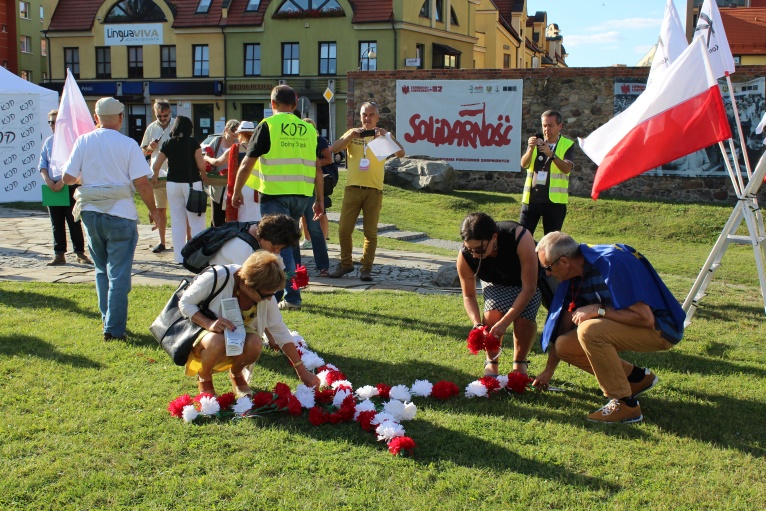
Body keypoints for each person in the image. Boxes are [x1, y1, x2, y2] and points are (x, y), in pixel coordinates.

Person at [534, 232, 685, 424]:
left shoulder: (610, 263)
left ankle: (625, 405)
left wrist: (599, 310)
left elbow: (645, 318)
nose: (547, 274)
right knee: (564, 345)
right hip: (633, 324)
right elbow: (562, 328)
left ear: (563, 262)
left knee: (589, 331)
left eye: (547, 268)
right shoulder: (573, 277)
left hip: (661, 328)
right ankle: (636, 378)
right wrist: (548, 371)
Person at [61, 97, 157, 341]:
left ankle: (108, 321)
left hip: (91, 212)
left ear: (96, 118)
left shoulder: (83, 141)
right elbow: (142, 183)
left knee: (101, 270)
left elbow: (68, 177)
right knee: (119, 273)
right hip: (120, 213)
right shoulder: (128, 144)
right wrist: (154, 210)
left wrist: (87, 177)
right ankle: (114, 329)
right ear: (121, 118)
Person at [231, 85, 323, 311]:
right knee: (289, 245)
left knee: (278, 247)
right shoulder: (309, 130)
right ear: (295, 103)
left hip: (275, 193)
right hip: (302, 194)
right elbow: (318, 168)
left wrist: (236, 190)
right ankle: (282, 292)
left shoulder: (268, 126)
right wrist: (319, 199)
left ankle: (289, 296)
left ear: (272, 104)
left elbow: (247, 162)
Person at [179, 250, 320, 396]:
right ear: (247, 285)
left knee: (255, 343)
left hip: (238, 333)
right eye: (266, 295)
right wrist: (209, 323)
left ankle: (237, 373)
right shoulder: (219, 276)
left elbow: (280, 331)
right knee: (217, 341)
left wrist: (302, 372)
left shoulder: (265, 294)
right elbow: (185, 303)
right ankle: (204, 376)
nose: (270, 299)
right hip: (206, 331)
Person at [328, 101, 404, 282]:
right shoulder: (353, 134)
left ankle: (366, 269)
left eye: (371, 115)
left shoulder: (382, 137)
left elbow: (401, 153)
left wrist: (387, 137)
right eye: (364, 115)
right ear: (360, 117)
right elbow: (333, 149)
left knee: (370, 233)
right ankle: (346, 264)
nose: (367, 118)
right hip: (353, 188)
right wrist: (349, 137)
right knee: (344, 229)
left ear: (377, 117)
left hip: (374, 190)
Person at [457, 213, 541, 377]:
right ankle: (491, 362)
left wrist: (505, 323)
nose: (474, 254)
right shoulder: (465, 257)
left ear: (494, 237)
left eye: (479, 249)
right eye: (470, 249)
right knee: (491, 315)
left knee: (524, 319)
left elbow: (529, 288)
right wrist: (477, 324)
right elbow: (469, 296)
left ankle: (520, 362)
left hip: (527, 282)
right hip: (496, 282)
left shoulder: (520, 237)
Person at [151, 116, 208, 264]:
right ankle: (197, 256)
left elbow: (156, 165)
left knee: (177, 221)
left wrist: (156, 175)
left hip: (172, 184)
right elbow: (201, 165)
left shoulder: (168, 143)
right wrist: (203, 173)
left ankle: (179, 257)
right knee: (196, 221)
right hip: (192, 183)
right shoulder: (193, 142)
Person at [38, 109, 91, 266]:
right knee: (56, 222)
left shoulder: (72, 142)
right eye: (50, 122)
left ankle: (79, 252)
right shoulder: (48, 142)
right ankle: (59, 253)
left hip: (69, 186)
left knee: (73, 220)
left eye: (55, 122)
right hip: (52, 187)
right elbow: (42, 164)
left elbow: (76, 165)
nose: (52, 125)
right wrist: (48, 180)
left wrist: (63, 181)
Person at [519, 110, 575, 236]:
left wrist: (551, 154)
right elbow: (524, 164)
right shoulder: (536, 142)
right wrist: (530, 149)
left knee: (551, 243)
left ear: (560, 126)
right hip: (531, 200)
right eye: (544, 125)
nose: (547, 129)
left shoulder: (567, 145)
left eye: (551, 125)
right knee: (522, 238)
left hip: (554, 203)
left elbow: (567, 169)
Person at [296, 118, 332, 277]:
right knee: (293, 230)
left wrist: (319, 198)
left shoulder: (313, 143)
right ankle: (296, 269)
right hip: (294, 189)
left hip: (309, 189)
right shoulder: (295, 145)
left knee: (315, 228)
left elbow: (318, 170)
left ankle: (323, 266)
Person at [208, 121, 261, 223]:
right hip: (255, 188)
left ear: (240, 134)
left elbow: (217, 162)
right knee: (254, 218)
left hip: (239, 186)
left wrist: (206, 158)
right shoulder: (259, 149)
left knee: (239, 217)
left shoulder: (234, 149)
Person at [140, 99, 174, 253]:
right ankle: (162, 242)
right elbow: (143, 152)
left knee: (178, 209)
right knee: (160, 209)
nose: (162, 119)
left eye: (165, 116)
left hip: (175, 173)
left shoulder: (176, 125)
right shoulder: (151, 128)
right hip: (157, 174)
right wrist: (150, 147)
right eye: (159, 116)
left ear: (170, 112)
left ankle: (185, 241)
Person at [209, 214, 301, 266]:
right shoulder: (243, 248)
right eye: (274, 247)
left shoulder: (256, 231)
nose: (277, 252)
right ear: (265, 236)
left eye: (281, 249)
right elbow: (253, 283)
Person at [203, 119, 238, 227]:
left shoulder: (238, 144)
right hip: (217, 185)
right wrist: (207, 160)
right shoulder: (217, 141)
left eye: (238, 132)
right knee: (217, 217)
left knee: (231, 217)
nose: (235, 135)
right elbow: (209, 157)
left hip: (233, 185)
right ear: (226, 129)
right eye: (234, 131)